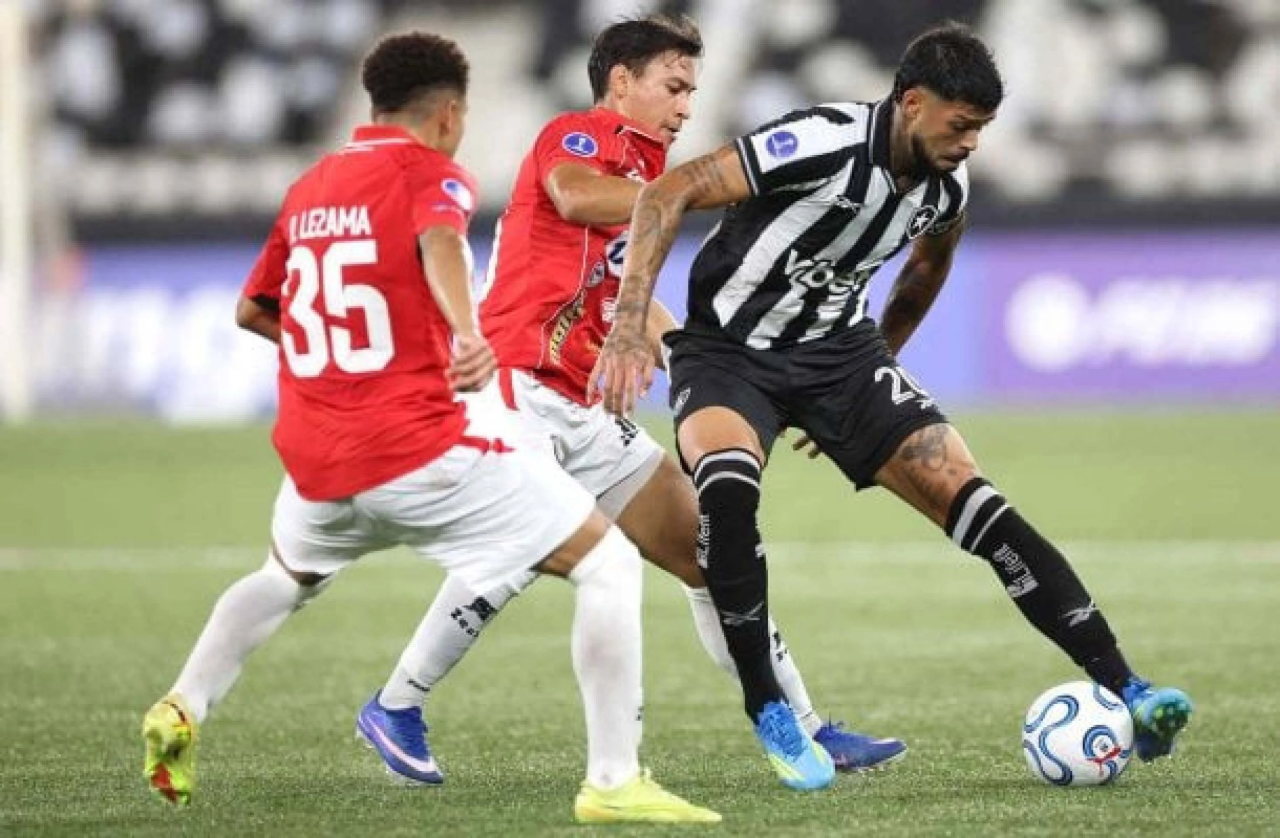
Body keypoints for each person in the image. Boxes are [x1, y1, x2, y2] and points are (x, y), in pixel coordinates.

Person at [589, 22, 1193, 791]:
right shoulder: (820, 141)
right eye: (961, 124)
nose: (972, 142)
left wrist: (879, 362)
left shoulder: (947, 187)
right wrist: (627, 328)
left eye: (982, 128)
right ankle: (770, 707)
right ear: (912, 102)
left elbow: (926, 267)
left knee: (977, 500)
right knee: (729, 498)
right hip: (728, 356)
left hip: (842, 361)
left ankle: (1130, 689)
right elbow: (669, 192)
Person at [140, 31, 719, 825]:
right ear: (449, 114)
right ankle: (614, 780)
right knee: (608, 562)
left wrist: (331, 357)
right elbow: (442, 241)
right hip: (415, 445)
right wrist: (467, 333)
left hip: (317, 456)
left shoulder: (312, 184)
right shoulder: (431, 174)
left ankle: (184, 702)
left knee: (283, 578)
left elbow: (253, 309)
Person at [354, 14, 904, 793]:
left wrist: (685, 354)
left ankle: (807, 726)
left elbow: (622, 290)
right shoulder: (577, 136)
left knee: (712, 553)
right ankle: (396, 704)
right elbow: (573, 200)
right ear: (621, 81)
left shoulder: (648, 170)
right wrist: (685, 193)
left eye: (692, 92)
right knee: (521, 547)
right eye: (673, 87)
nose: (685, 107)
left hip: (584, 405)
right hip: (519, 385)